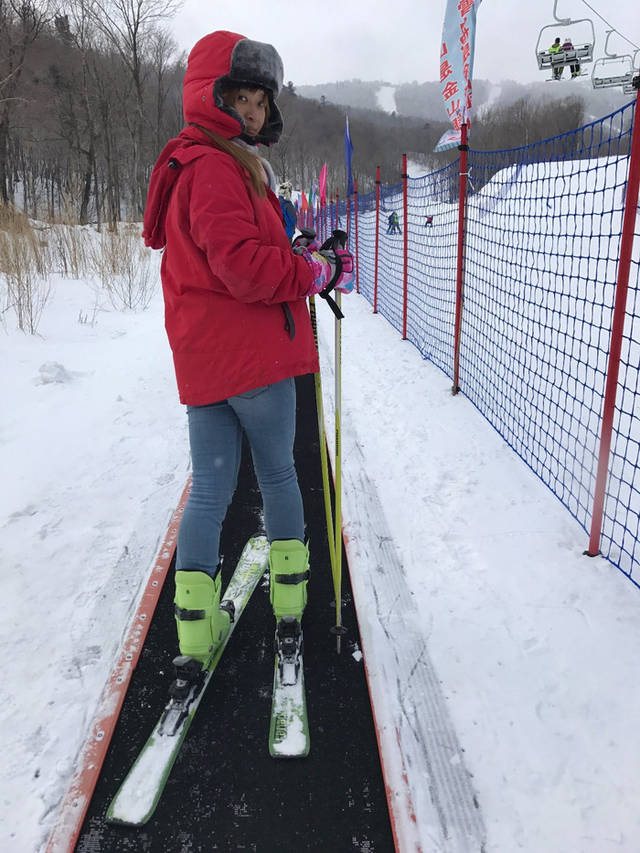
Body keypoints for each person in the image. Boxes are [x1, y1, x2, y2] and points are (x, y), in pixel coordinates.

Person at [142, 30, 355, 666]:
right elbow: (243, 268)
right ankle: (290, 605)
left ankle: (193, 631)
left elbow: (233, 256)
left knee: (211, 490)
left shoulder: (209, 163)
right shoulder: (214, 167)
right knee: (277, 475)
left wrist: (298, 251)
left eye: (261, 100)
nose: (254, 111)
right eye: (241, 97)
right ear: (211, 97)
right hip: (255, 364)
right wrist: (320, 273)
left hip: (207, 365)